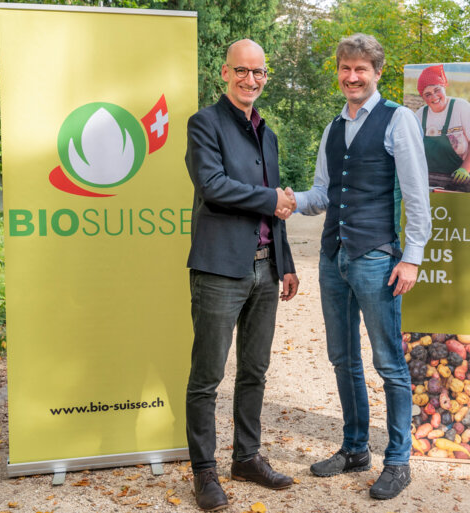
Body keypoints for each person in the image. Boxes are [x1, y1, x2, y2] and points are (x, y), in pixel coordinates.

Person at [292, 33, 431, 500]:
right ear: (339, 72)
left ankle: (398, 460)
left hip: (376, 257)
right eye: (345, 69)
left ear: (376, 73)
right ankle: (354, 448)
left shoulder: (399, 120)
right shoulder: (333, 127)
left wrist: (412, 256)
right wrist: (283, 200)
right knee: (342, 357)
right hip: (333, 258)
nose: (352, 77)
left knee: (389, 362)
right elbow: (320, 195)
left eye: (361, 69)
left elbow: (417, 194)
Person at [184, 39, 299, 511]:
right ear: (225, 73)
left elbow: (278, 207)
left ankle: (247, 457)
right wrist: (271, 199)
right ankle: (204, 472)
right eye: (242, 71)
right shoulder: (204, 123)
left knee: (255, 371)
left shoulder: (267, 134)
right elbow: (211, 187)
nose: (250, 80)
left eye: (259, 72)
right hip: (219, 269)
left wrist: (285, 262)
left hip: (264, 271)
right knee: (207, 377)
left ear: (265, 77)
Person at [414, 64, 470, 186]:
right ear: (422, 97)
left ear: (444, 87)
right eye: (428, 94)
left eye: (437, 90)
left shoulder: (461, 107)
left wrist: (465, 169)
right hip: (431, 178)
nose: (434, 97)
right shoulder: (420, 115)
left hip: (460, 178)